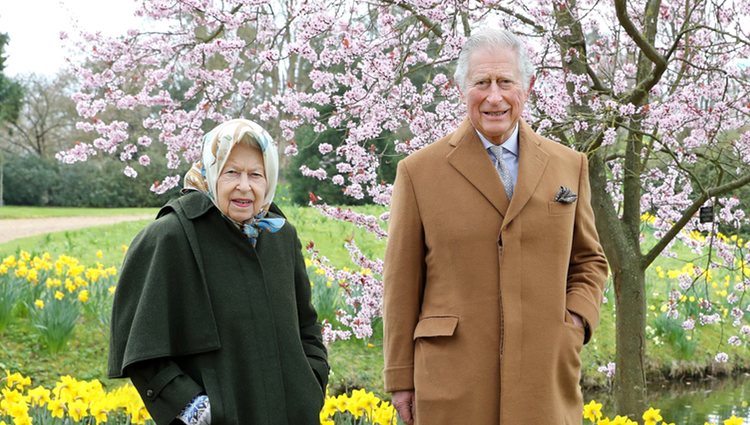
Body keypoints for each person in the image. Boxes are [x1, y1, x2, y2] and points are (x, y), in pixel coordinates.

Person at [382, 26, 609, 424]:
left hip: (545, 375)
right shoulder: (418, 172)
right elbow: (401, 282)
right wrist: (401, 377)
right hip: (452, 380)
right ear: (460, 89)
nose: (494, 96)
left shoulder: (569, 166)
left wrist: (573, 321)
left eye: (506, 82)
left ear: (528, 86)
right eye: (481, 82)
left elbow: (589, 260)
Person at [109, 119, 329, 425]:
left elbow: (307, 325)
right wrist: (194, 409)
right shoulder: (171, 236)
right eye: (231, 172)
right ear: (211, 172)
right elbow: (142, 346)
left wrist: (312, 381)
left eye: (255, 174)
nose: (244, 186)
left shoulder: (280, 235)